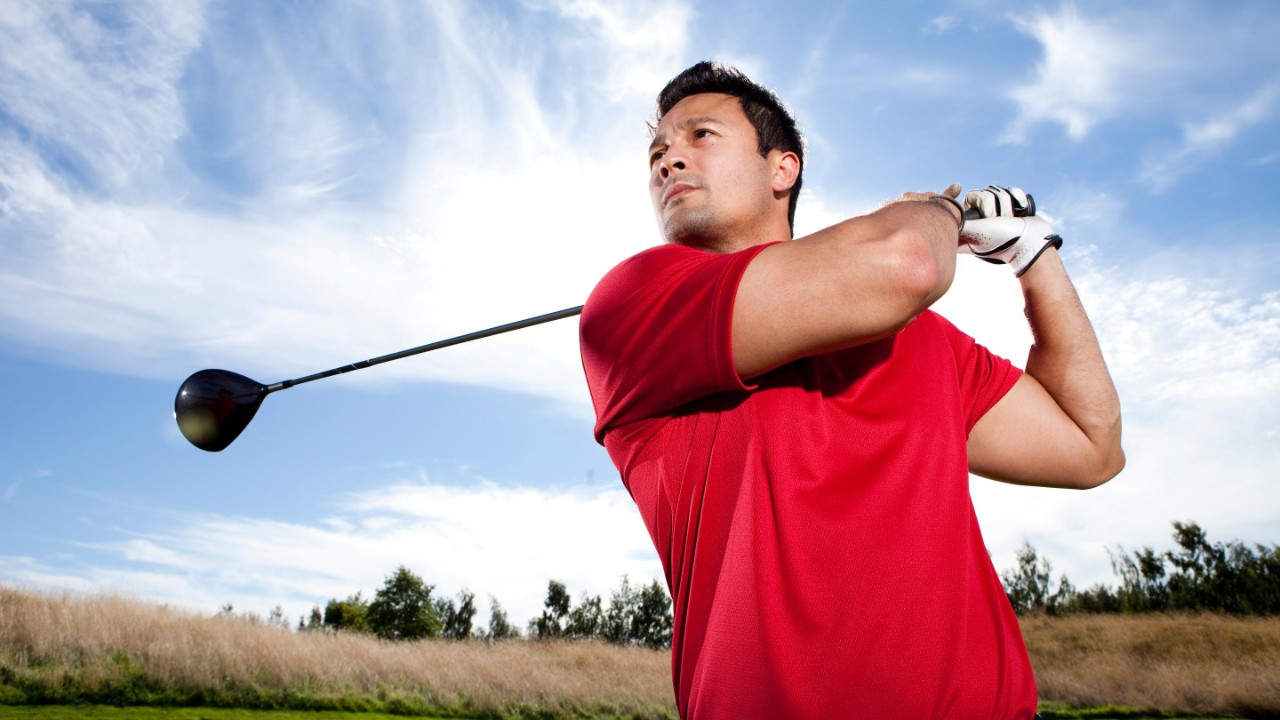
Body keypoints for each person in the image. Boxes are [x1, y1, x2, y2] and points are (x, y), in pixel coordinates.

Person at [578, 61, 1124, 719]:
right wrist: (939, 209)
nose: (668, 162)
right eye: (658, 152)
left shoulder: (924, 339)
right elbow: (910, 262)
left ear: (784, 169)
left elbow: (1090, 446)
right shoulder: (634, 303)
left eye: (700, 136)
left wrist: (1035, 258)